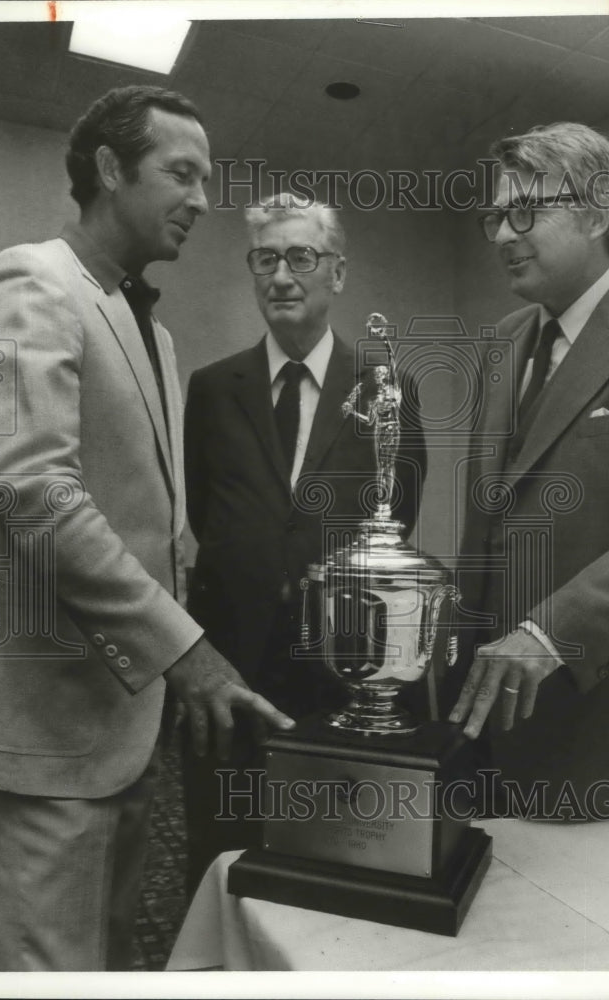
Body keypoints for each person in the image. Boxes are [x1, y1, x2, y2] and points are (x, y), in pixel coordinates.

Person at [0, 85, 294, 971]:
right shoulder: (23, 281)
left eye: (209, 178)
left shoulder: (157, 332)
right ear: (109, 170)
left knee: (106, 963)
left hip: (131, 732)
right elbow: (32, 492)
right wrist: (186, 653)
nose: (202, 199)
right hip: (52, 735)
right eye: (181, 173)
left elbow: (151, 524)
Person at [448, 122, 609, 819]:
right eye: (495, 216)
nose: (502, 234)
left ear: (595, 211)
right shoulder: (502, 342)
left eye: (524, 211)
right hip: (490, 726)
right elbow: (488, 524)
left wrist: (547, 635)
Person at [182, 194, 427, 891]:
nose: (282, 276)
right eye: (266, 259)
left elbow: (396, 518)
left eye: (301, 257)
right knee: (224, 853)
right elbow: (207, 513)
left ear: (338, 273)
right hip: (231, 662)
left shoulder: (389, 393)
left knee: (334, 857)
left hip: (341, 667)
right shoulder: (211, 388)